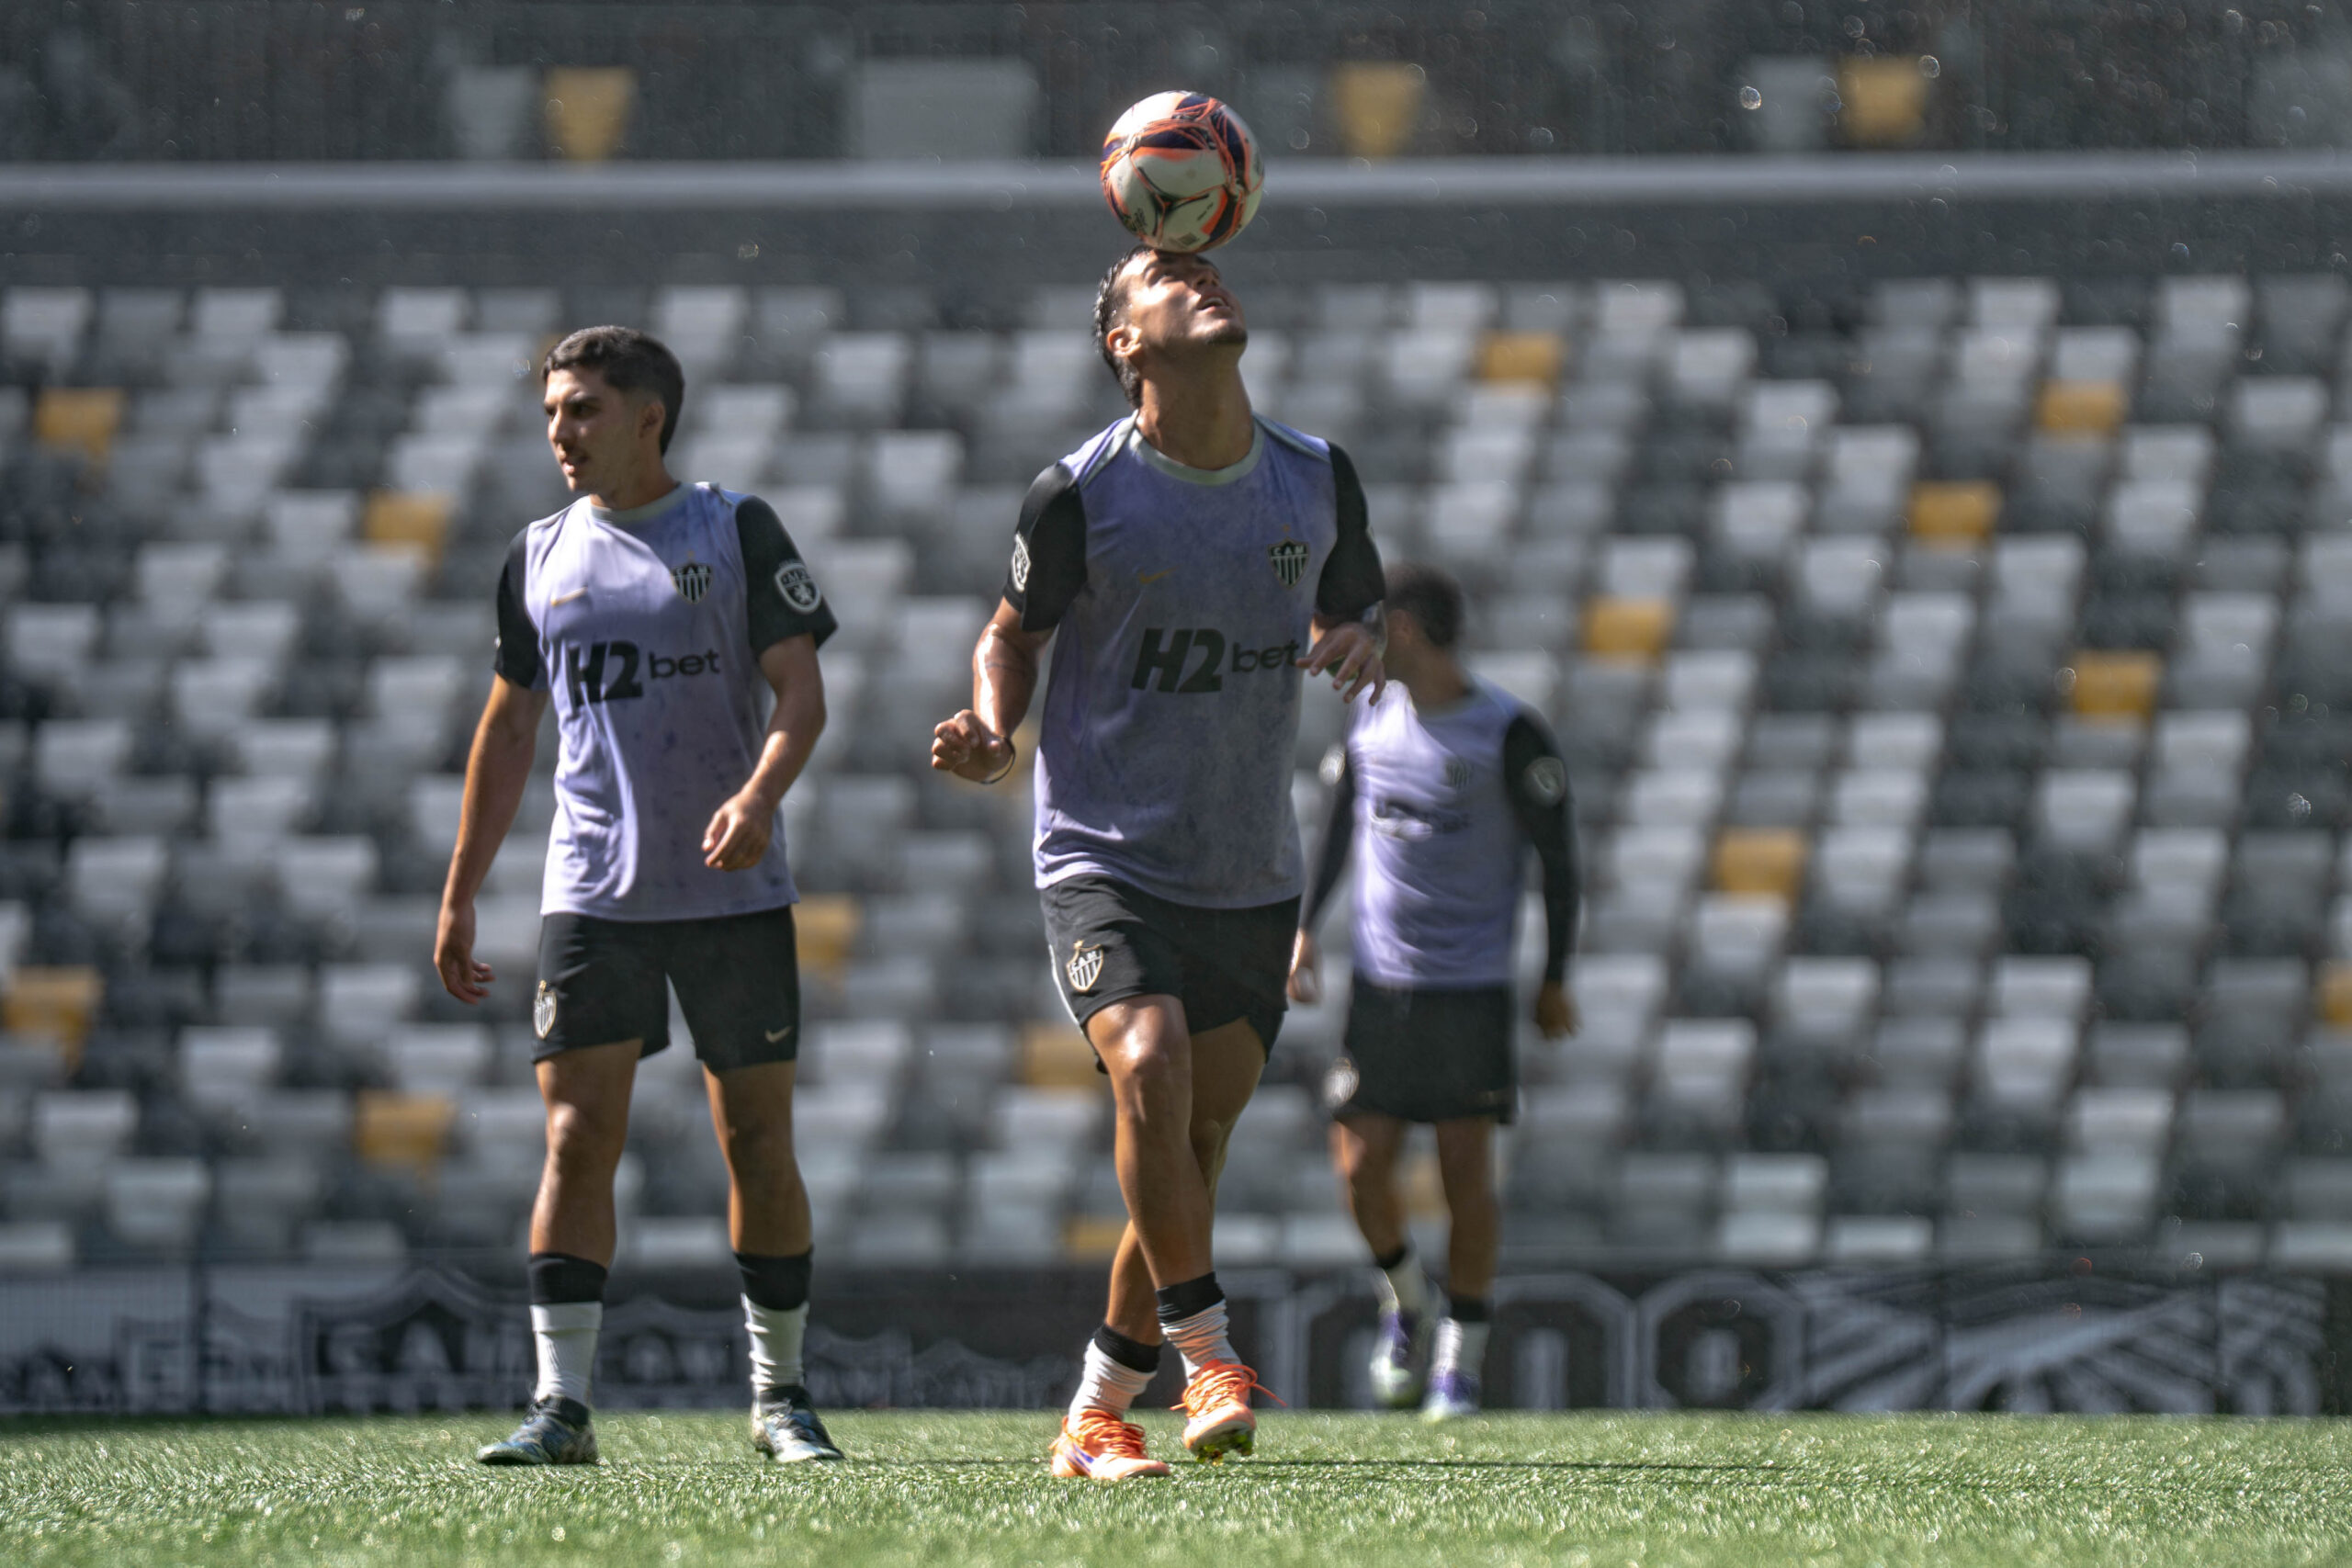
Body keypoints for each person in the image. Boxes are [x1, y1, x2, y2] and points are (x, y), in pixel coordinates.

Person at [931, 243, 1385, 1481]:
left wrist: (1358, 635)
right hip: (1104, 854)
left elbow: (1358, 605)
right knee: (1147, 1062)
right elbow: (1008, 631)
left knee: (1186, 1146)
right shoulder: (1079, 491)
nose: (1206, 281)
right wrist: (991, 722)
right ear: (1124, 342)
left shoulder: (1315, 474)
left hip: (1247, 865)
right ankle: (1212, 1356)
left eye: (1211, 268)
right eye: (1164, 278)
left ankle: (1092, 1411)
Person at [434, 325, 844, 1467]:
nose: (560, 431)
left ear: (648, 418)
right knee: (576, 1137)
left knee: (757, 1139)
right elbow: (509, 725)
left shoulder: (736, 529)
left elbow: (800, 693)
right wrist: (461, 891)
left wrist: (760, 795)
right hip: (593, 895)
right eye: (554, 410)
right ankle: (560, 1407)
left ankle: (780, 1399)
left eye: (584, 410)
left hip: (731, 893)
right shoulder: (536, 555)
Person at [1288, 561, 1581, 1421]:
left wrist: (1555, 974)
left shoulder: (1508, 734)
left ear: (1407, 631)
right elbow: (1341, 825)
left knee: (1464, 1176)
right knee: (1360, 1165)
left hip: (1470, 990)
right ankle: (1405, 1297)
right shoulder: (1370, 715)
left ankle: (1463, 1348)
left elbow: (1558, 860)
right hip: (1383, 987)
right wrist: (1307, 927)